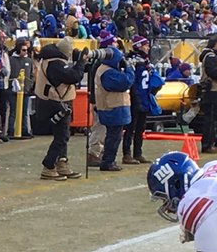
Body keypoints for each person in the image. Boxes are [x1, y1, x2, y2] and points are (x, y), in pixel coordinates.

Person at [33, 38, 86, 180]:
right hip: (55, 102)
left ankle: (62, 162)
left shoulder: (50, 59)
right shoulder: (55, 63)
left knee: (62, 134)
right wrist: (81, 62)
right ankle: (49, 165)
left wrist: (79, 62)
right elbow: (73, 76)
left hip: (56, 101)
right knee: (62, 136)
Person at [92, 40, 135, 172]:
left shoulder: (105, 69)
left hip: (111, 107)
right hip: (112, 107)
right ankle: (108, 161)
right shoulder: (108, 72)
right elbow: (126, 82)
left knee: (113, 136)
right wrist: (128, 68)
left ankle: (109, 160)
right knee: (113, 136)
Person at [123, 36, 163, 164]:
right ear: (139, 46)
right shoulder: (132, 61)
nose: (148, 47)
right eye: (145, 45)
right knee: (131, 127)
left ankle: (138, 152)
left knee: (141, 127)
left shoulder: (146, 61)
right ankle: (127, 154)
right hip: (135, 97)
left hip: (145, 96)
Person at [7, 37, 35, 139]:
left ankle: (25, 130)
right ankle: (11, 130)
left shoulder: (29, 60)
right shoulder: (11, 60)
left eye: (26, 50)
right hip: (13, 90)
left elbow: (31, 74)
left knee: (25, 112)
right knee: (13, 111)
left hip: (26, 90)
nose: (25, 52)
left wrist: (30, 84)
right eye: (23, 50)